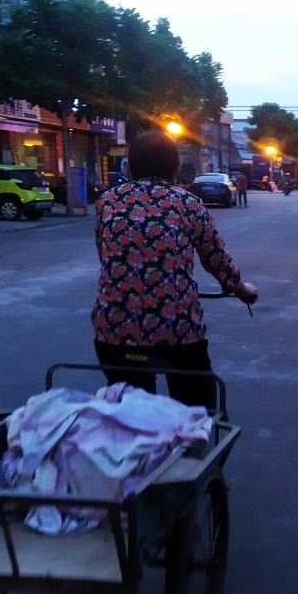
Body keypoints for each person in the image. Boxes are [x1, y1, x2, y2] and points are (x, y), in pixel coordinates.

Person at [92, 129, 258, 410]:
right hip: (177, 331)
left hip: (114, 330)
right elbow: (215, 257)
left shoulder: (107, 202)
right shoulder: (188, 203)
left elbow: (106, 254)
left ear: (129, 168)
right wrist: (241, 289)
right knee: (196, 410)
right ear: (175, 168)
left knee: (127, 413)